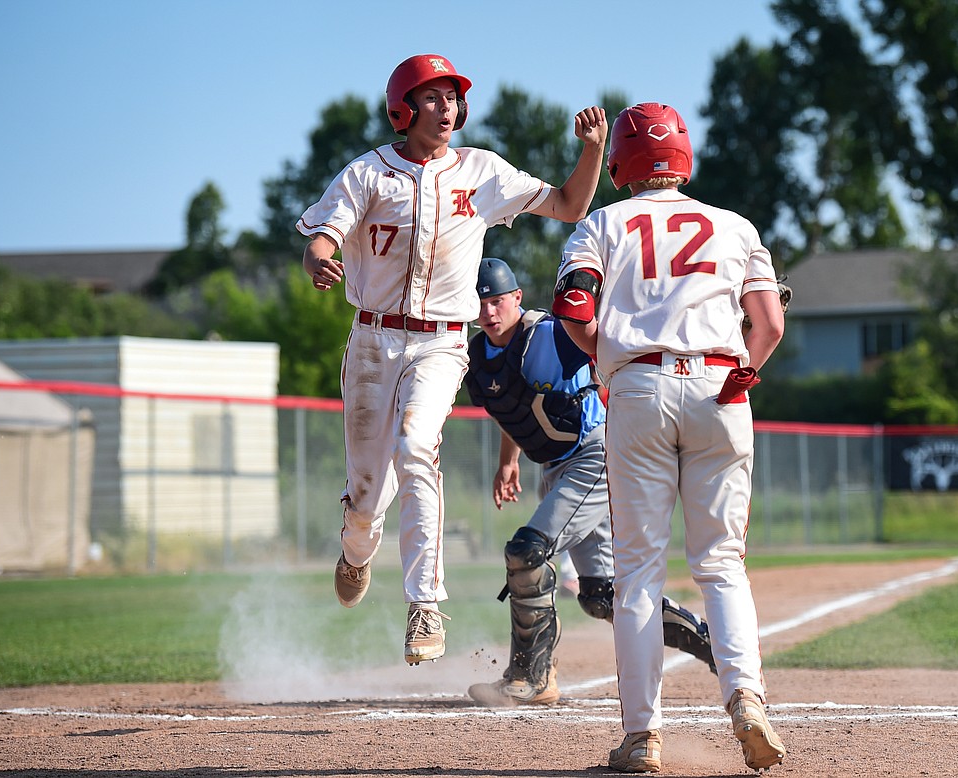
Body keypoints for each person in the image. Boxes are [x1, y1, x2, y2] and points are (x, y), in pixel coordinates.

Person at [297, 53, 607, 667]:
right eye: (433, 98)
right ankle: (356, 550)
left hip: (442, 340)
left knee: (417, 449)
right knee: (365, 493)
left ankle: (425, 604)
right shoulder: (367, 174)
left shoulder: (482, 171)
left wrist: (593, 149)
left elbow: (571, 206)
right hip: (372, 340)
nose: (447, 109)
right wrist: (317, 258)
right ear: (403, 109)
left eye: (453, 98)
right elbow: (323, 234)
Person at [553, 103, 788, 772]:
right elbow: (767, 325)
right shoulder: (735, 226)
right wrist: (746, 371)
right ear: (684, 158)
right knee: (721, 564)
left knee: (638, 576)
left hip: (639, 389)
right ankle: (746, 697)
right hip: (721, 386)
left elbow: (573, 308)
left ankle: (643, 737)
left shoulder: (603, 222)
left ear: (623, 162)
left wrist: (611, 359)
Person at [463, 257, 718, 707]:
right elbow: (513, 408)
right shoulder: (478, 358)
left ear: (517, 299)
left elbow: (609, 331)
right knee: (601, 595)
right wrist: (509, 461)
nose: (488, 311)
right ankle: (714, 644)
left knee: (528, 553)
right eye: (480, 302)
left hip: (594, 455)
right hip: (556, 467)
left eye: (497, 300)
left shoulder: (547, 336)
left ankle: (532, 676)